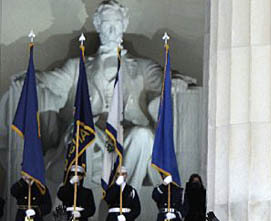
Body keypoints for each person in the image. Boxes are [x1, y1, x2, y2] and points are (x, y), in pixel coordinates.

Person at [7, 0, 192, 193]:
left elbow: (163, 79)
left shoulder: (143, 67)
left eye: (117, 23)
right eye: (106, 24)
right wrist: (32, 77)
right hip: (93, 128)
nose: (112, 30)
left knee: (144, 136)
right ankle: (80, 196)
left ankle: (127, 193)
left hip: (126, 132)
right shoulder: (78, 65)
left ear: (125, 24)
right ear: (97, 25)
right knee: (84, 134)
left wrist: (178, 82)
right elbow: (55, 81)